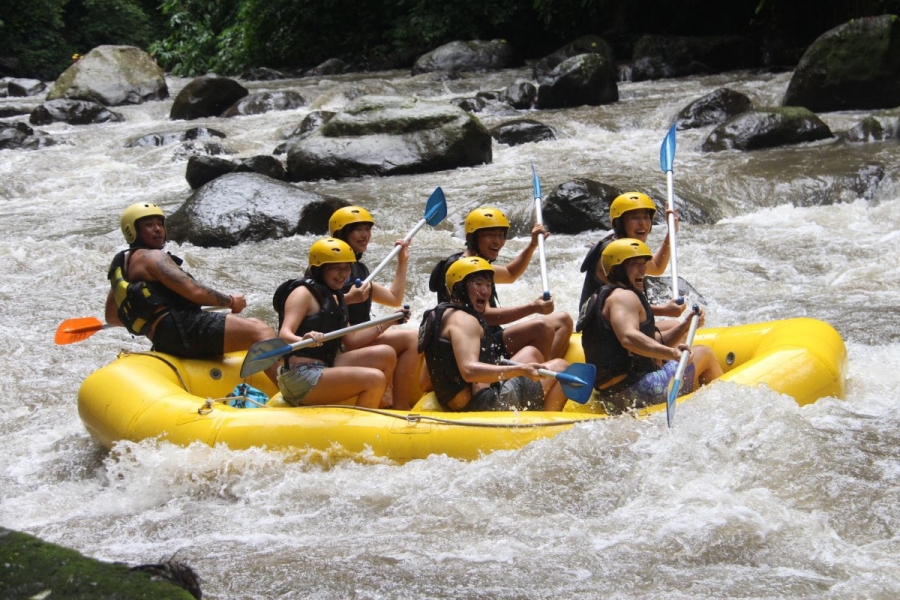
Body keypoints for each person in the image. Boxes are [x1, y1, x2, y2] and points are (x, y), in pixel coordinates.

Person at [105, 202, 278, 383]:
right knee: (259, 330)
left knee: (251, 324)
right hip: (184, 328)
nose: (157, 229)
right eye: (149, 225)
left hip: (162, 338)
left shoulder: (124, 267)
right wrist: (230, 301)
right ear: (132, 231)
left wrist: (152, 318)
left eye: (160, 223)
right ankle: (289, 392)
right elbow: (194, 291)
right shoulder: (152, 257)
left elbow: (112, 316)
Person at [577, 238, 722, 414]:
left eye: (644, 264)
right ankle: (722, 410)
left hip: (610, 397)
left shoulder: (604, 298)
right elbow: (628, 338)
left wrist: (685, 325)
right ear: (616, 270)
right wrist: (671, 354)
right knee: (704, 353)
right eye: (635, 264)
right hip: (636, 392)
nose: (643, 270)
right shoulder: (623, 298)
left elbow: (651, 342)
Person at [419, 256, 569, 412]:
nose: (485, 292)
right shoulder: (465, 321)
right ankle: (545, 420)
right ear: (460, 287)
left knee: (531, 352)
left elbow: (425, 381)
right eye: (478, 284)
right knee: (562, 367)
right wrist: (522, 370)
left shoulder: (440, 315)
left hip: (458, 400)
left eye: (488, 285)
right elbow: (469, 371)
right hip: (484, 404)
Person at [428, 206, 573, 361]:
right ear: (473, 237)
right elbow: (487, 316)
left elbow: (510, 274)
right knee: (542, 328)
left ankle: (547, 372)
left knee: (563, 320)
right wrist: (533, 308)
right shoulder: (462, 269)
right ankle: (538, 380)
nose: (497, 241)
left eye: (501, 235)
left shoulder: (476, 264)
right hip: (477, 345)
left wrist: (532, 245)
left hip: (490, 335)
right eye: (490, 235)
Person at [273, 238, 404, 408]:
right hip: (299, 376)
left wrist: (390, 321)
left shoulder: (334, 297)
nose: (343, 274)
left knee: (386, 353)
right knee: (374, 378)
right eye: (336, 268)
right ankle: (363, 427)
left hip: (325, 365)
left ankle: (380, 404)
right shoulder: (302, 294)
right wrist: (303, 339)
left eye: (346, 268)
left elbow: (353, 341)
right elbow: (284, 334)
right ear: (319, 269)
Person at [329, 206, 420, 410]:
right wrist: (350, 300)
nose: (365, 235)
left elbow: (394, 298)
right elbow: (348, 338)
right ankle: (382, 401)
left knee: (413, 338)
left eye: (367, 229)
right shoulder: (327, 272)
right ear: (341, 234)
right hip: (340, 347)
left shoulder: (359, 269)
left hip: (361, 338)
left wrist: (402, 262)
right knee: (387, 351)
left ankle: (401, 406)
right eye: (358, 229)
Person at [579, 191, 682, 317]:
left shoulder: (627, 247)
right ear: (619, 223)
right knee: (676, 327)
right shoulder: (613, 252)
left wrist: (671, 233)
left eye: (646, 217)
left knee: (676, 327)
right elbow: (622, 303)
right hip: (603, 328)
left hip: (619, 320)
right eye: (635, 218)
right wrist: (664, 311)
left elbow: (656, 268)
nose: (642, 223)